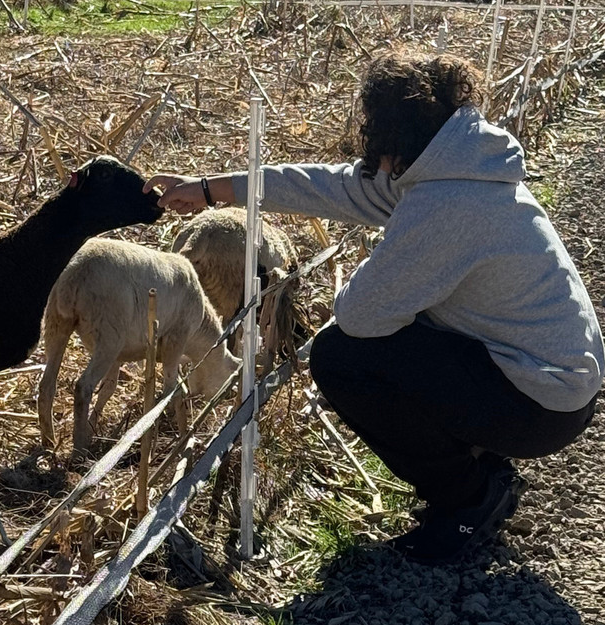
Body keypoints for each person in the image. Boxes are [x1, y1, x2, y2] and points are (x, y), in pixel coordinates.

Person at [145, 50, 603, 564]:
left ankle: (469, 498)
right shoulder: (458, 168)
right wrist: (211, 190)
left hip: (539, 405)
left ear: (393, 134)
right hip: (550, 378)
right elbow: (328, 185)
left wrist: (387, 264)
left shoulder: (444, 206)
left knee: (342, 357)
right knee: (403, 331)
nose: (370, 148)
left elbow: (361, 315)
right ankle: (477, 457)